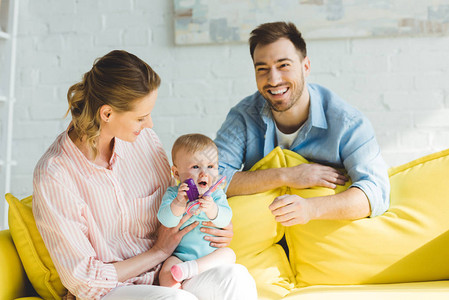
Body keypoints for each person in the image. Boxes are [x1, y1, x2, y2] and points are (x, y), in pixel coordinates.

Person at [33, 50, 257, 300]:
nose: (149, 125)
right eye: (140, 117)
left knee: (236, 277)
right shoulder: (55, 175)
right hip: (114, 289)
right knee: (177, 299)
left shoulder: (143, 140)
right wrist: (159, 252)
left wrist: (217, 222)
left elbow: (177, 199)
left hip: (168, 271)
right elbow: (84, 279)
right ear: (107, 114)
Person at [215, 21, 390, 226]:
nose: (273, 79)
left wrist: (310, 208)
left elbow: (376, 192)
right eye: (262, 69)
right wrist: (286, 175)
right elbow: (212, 179)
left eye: (284, 65)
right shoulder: (243, 116)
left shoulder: (348, 123)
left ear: (305, 66)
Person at [157, 134, 236, 288]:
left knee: (229, 255)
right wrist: (179, 202)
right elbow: (166, 220)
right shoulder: (174, 194)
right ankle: (178, 294)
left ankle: (190, 270)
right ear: (177, 173)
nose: (204, 173)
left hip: (211, 256)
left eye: (211, 166)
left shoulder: (217, 194)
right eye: (195, 167)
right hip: (180, 257)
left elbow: (225, 219)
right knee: (166, 272)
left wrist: (212, 208)